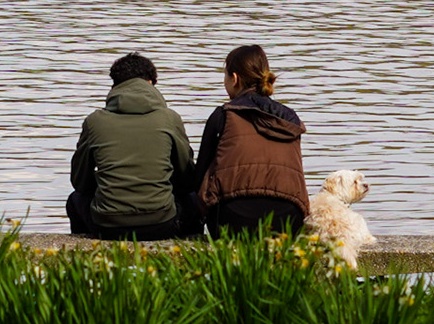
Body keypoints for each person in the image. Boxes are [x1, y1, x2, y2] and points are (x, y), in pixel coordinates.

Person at [68, 52, 196, 241]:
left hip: (107, 225)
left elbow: (80, 182)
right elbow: (187, 179)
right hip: (161, 223)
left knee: (75, 200)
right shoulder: (170, 119)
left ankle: (83, 253)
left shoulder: (94, 121)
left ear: (115, 85)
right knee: (193, 199)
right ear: (151, 83)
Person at [193, 44, 309, 237]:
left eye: (225, 76)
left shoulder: (224, 115)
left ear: (235, 79)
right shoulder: (291, 120)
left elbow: (199, 177)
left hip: (232, 222)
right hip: (289, 222)